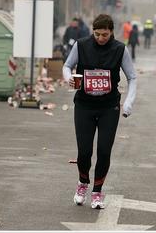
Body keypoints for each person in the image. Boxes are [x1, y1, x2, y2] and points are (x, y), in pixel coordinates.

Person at [62, 13, 137, 209]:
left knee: (104, 150)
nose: (100, 38)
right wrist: (68, 77)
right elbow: (67, 65)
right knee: (85, 151)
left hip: (108, 106)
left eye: (104, 34)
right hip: (84, 105)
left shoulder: (120, 49)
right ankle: (82, 183)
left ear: (112, 32)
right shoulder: (81, 44)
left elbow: (132, 77)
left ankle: (97, 192)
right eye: (97, 34)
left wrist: (129, 102)